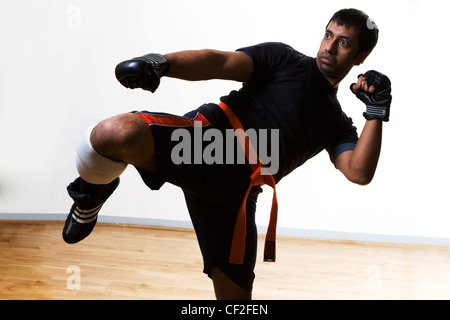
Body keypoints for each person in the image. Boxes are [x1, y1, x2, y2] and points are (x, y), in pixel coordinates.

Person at [62, 8, 392, 299]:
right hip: (206, 145)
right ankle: (91, 192)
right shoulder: (284, 59)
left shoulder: (337, 123)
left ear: (360, 57)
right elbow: (220, 62)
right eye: (328, 35)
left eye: (344, 42)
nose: (330, 47)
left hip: (236, 195)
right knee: (112, 133)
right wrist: (161, 64)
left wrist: (376, 112)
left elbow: (358, 172)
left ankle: (96, 183)